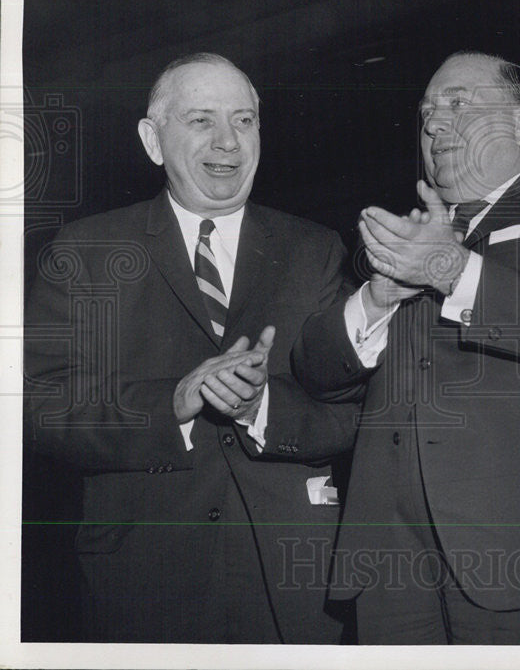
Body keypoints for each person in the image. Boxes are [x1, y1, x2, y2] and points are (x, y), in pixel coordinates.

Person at [291, 51, 520, 644]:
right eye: (427, 112)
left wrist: (453, 269)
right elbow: (317, 373)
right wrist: (376, 298)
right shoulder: (405, 240)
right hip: (390, 567)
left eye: (458, 104)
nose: (433, 124)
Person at [24, 53, 359, 643]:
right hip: (142, 579)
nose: (228, 142)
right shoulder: (87, 250)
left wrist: (261, 411)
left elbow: (354, 412)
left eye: (245, 120)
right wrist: (171, 404)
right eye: (201, 120)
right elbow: (41, 409)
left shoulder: (315, 249)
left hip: (296, 583)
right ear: (153, 141)